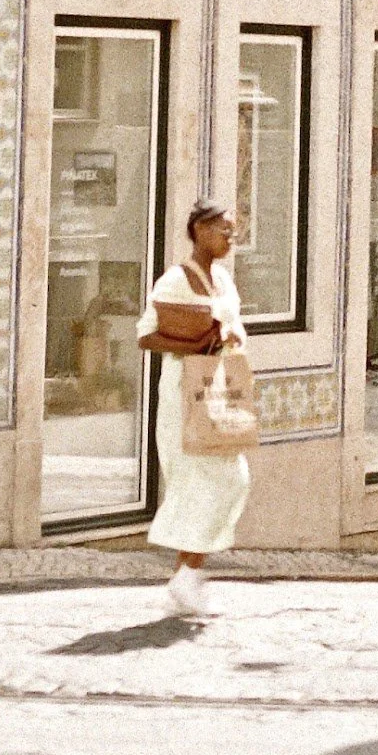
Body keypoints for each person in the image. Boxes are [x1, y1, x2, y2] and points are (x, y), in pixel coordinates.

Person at [136, 199, 250, 616]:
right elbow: (146, 336)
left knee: (233, 479)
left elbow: (235, 324)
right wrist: (192, 342)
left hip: (218, 386)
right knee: (198, 482)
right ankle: (186, 580)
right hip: (184, 390)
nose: (230, 237)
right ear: (200, 230)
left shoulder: (223, 279)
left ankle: (186, 576)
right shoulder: (175, 281)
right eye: (224, 229)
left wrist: (230, 333)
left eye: (233, 230)